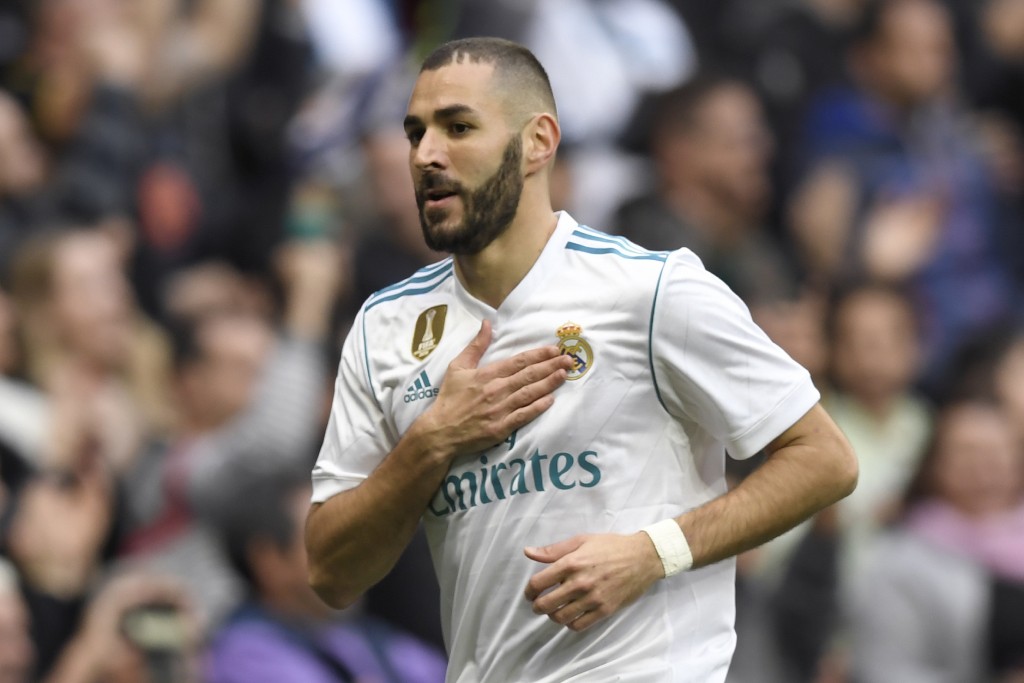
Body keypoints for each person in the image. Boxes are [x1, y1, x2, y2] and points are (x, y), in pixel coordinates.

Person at [305, 37, 858, 682]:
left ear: (538, 142)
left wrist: (651, 553)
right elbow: (331, 573)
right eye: (415, 133)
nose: (426, 154)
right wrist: (432, 441)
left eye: (458, 127)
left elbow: (825, 459)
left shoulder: (651, 290)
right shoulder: (384, 326)